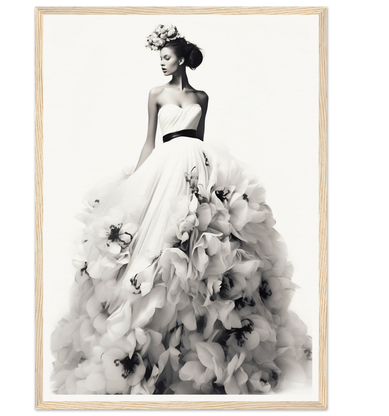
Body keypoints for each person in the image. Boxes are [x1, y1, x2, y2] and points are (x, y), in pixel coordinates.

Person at [51, 24, 312, 395]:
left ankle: (202, 335)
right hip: (164, 166)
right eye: (159, 58)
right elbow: (149, 141)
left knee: (200, 243)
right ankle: (147, 332)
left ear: (181, 57)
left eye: (167, 57)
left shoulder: (202, 97)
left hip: (197, 166)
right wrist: (135, 181)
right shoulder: (156, 94)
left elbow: (200, 139)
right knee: (157, 242)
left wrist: (206, 179)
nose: (162, 64)